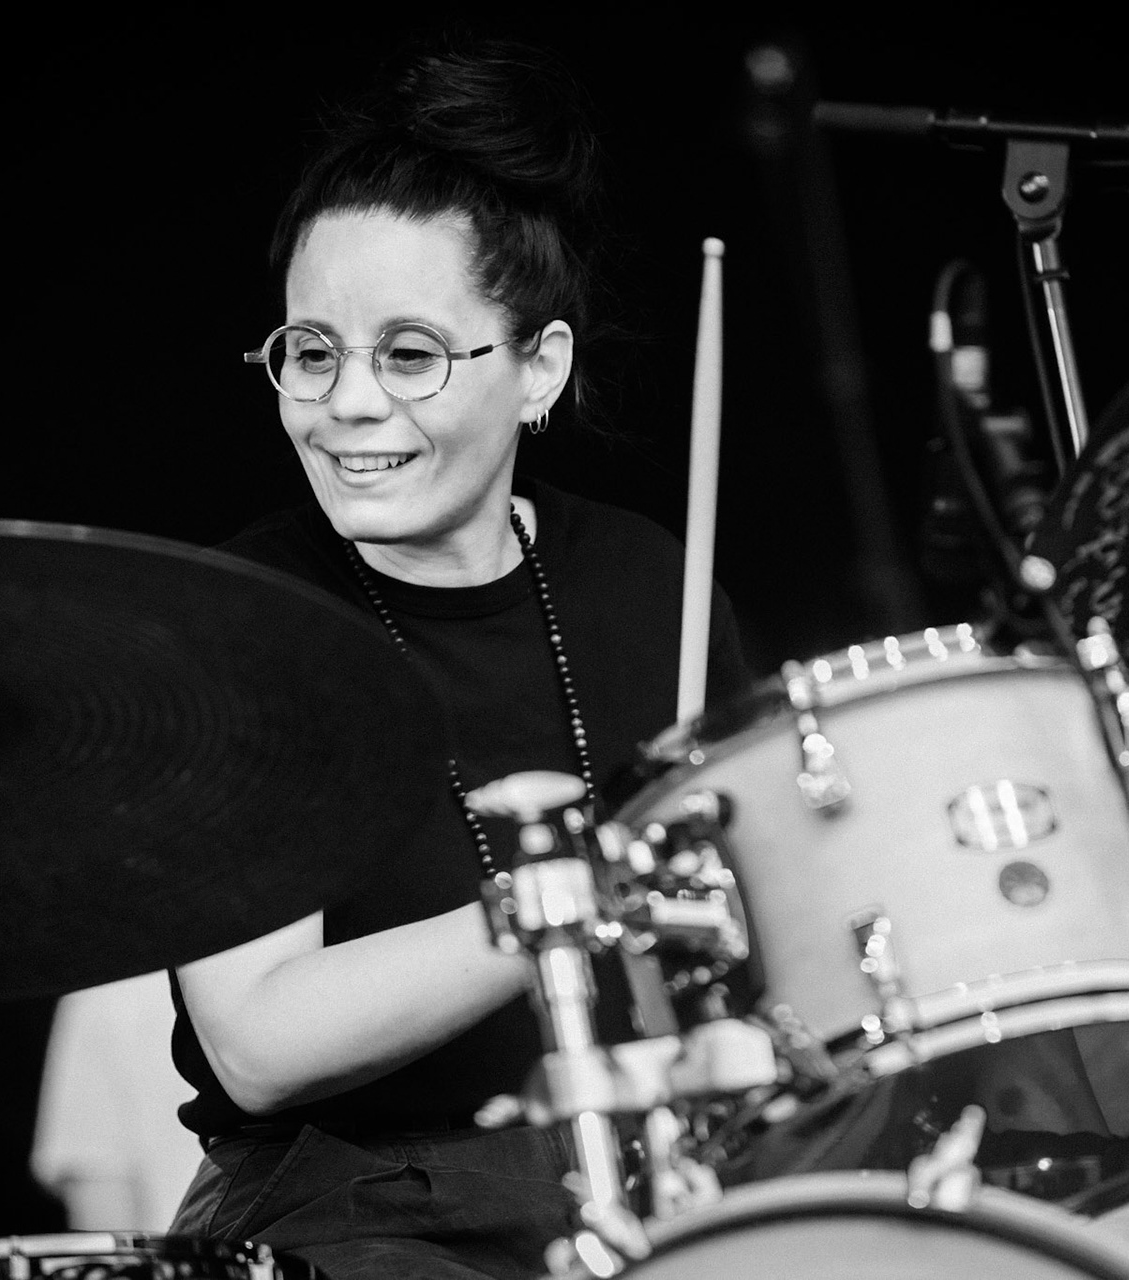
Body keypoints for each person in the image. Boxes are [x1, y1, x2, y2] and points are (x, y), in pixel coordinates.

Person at [166, 34, 754, 1280]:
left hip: (664, 1185)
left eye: (411, 352)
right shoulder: (239, 618)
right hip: (359, 1216)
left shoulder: (650, 577)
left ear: (538, 366)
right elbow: (259, 1038)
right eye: (312, 352)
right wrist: (565, 897)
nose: (349, 403)